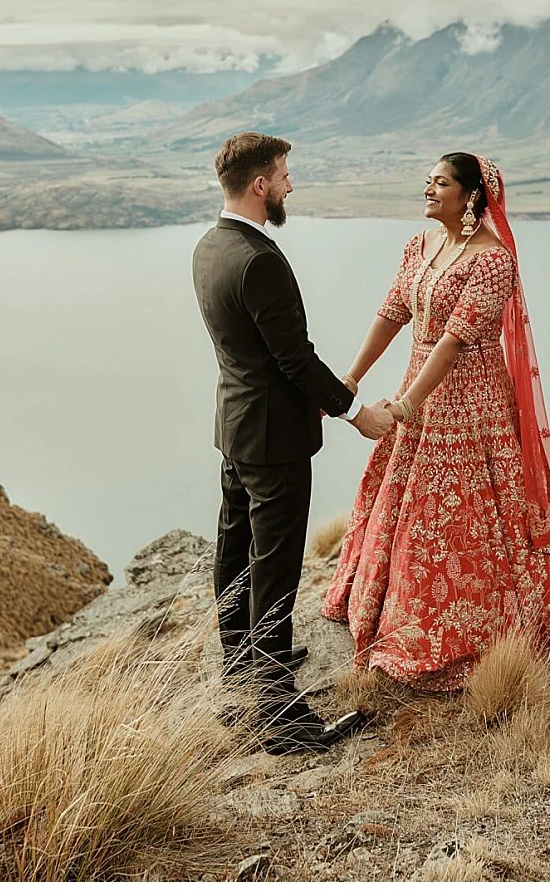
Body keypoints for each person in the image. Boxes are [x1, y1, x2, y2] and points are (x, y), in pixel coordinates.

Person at [322, 152, 550, 691]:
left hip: (472, 402)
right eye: (428, 181)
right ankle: (388, 607)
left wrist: (403, 407)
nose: (429, 189)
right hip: (420, 389)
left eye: (440, 183)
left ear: (470, 197)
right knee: (406, 500)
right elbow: (392, 314)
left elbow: (454, 342)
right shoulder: (419, 246)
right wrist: (348, 382)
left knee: (454, 514)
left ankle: (468, 634)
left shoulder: (494, 261)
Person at [191, 131, 390, 754]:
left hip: (237, 428)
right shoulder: (259, 260)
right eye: (284, 175)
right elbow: (295, 360)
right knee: (273, 567)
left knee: (234, 548)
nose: (289, 185)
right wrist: (357, 411)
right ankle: (282, 719)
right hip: (275, 439)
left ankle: (242, 665)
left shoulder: (209, 247)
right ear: (260, 184)